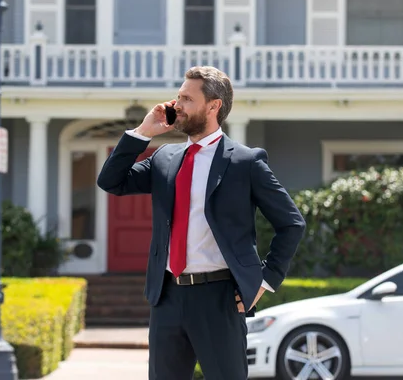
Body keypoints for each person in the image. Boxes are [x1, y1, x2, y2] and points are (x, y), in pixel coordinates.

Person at [97, 66, 306, 380]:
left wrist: (263, 281)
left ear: (213, 106)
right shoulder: (164, 158)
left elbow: (291, 223)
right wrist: (143, 132)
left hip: (219, 298)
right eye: (178, 96)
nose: (176, 104)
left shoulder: (245, 162)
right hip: (166, 296)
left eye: (186, 98)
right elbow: (111, 182)